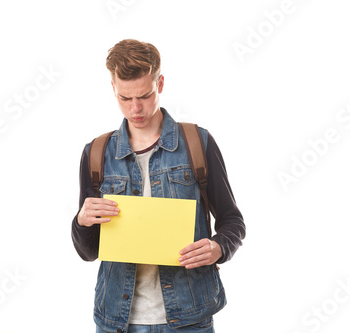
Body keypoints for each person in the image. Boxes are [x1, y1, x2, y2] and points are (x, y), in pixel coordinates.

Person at [71, 39, 246, 333]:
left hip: (190, 318)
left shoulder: (197, 143)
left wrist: (219, 247)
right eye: (125, 98)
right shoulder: (97, 153)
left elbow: (232, 221)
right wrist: (81, 221)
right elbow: (88, 252)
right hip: (117, 319)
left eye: (145, 95)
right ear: (113, 88)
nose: (136, 108)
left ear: (160, 83)